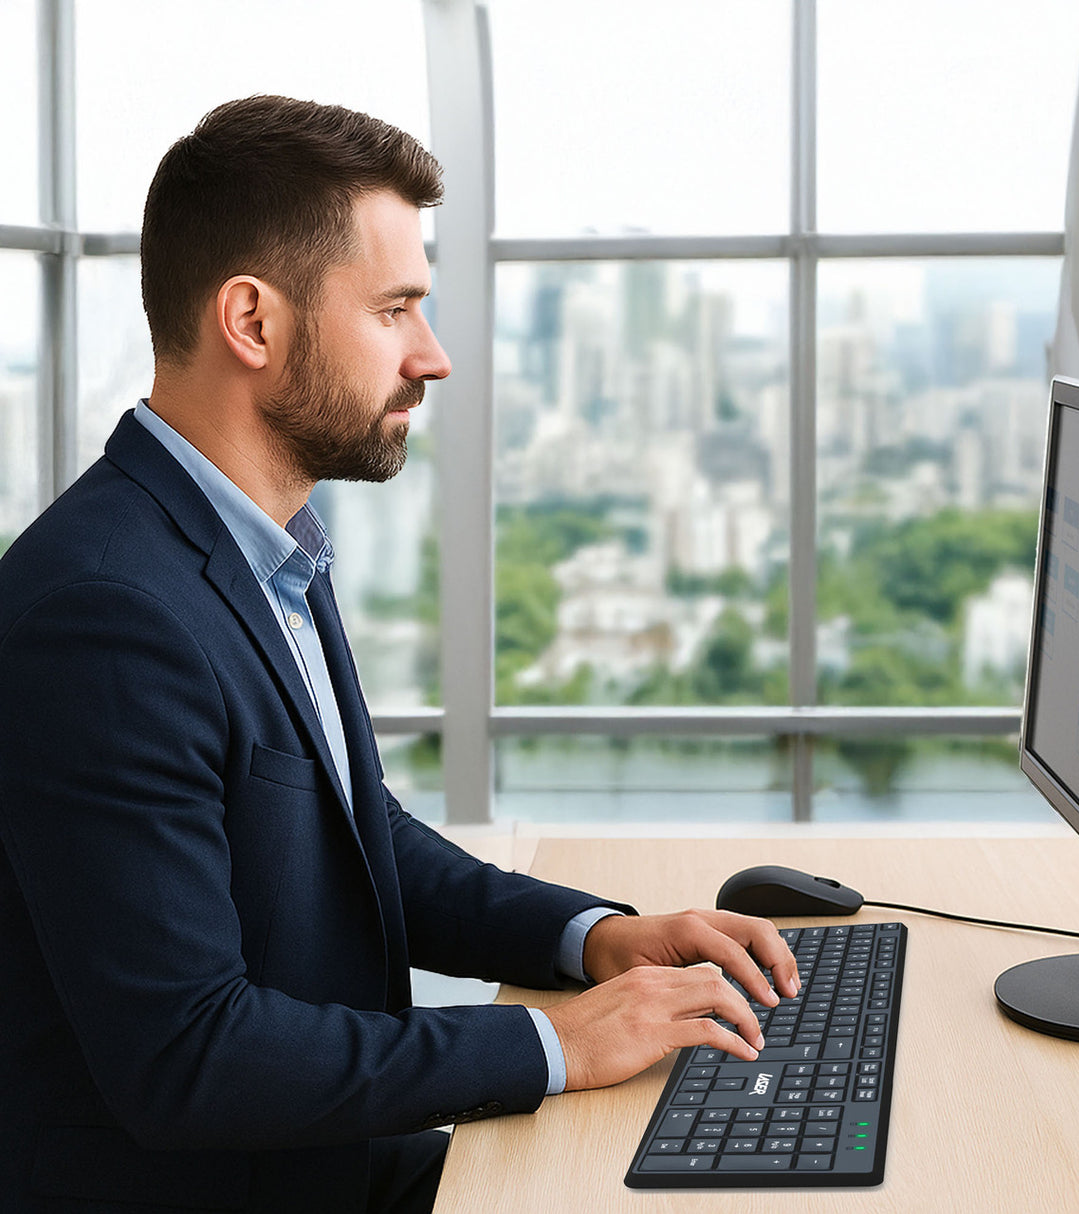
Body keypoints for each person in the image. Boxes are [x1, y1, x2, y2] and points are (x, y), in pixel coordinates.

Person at [0, 95, 799, 1214]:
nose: (433, 356)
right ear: (252, 321)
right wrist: (558, 1043)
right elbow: (188, 1055)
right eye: (394, 309)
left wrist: (597, 938)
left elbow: (352, 838)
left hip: (319, 1160)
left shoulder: (261, 544)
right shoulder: (106, 617)